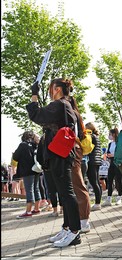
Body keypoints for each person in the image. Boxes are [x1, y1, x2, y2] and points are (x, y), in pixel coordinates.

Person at [27, 78, 81, 247]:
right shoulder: (64, 105)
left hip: (60, 154)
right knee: (63, 192)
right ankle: (67, 227)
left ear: (57, 89)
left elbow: (36, 115)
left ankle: (74, 231)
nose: (50, 92)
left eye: (51, 89)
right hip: (58, 153)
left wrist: (34, 96)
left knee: (67, 192)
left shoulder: (60, 104)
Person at [69, 96, 91, 233]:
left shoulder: (73, 114)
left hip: (73, 151)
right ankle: (77, 219)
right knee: (73, 186)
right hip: (72, 151)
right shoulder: (73, 114)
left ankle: (84, 220)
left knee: (78, 185)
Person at [13, 130, 42, 218]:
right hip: (36, 169)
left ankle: (28, 212)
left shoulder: (23, 145)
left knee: (29, 190)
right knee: (36, 189)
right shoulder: (35, 145)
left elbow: (15, 157)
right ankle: (36, 209)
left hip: (27, 171)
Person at [102, 128, 122, 207]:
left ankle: (119, 197)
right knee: (110, 179)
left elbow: (121, 152)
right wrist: (108, 155)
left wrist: (114, 155)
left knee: (118, 179)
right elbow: (108, 152)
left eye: (110, 134)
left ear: (114, 134)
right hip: (111, 163)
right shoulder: (110, 144)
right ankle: (109, 198)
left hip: (118, 163)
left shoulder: (119, 143)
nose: (109, 136)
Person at [85, 122, 103, 211]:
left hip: (91, 161)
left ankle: (97, 203)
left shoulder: (90, 136)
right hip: (97, 161)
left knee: (94, 182)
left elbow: (87, 148)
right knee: (96, 182)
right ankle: (98, 202)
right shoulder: (96, 137)